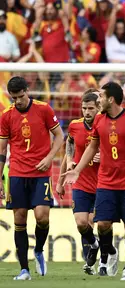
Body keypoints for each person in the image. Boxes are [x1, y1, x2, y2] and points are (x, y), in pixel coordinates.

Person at [63, 82, 125, 280]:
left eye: (100, 96)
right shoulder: (99, 120)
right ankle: (111, 252)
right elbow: (92, 147)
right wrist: (78, 170)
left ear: (111, 99)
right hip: (106, 183)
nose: (97, 100)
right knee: (103, 225)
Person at [0, 76, 64, 280]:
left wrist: (49, 158)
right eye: (14, 98)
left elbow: (60, 136)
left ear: (27, 91)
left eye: (20, 96)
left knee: (42, 216)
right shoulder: (6, 116)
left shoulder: (44, 109)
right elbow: (2, 150)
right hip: (17, 172)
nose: (18, 101)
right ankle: (24, 270)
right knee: (19, 219)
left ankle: (38, 249)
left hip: (41, 173)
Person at [56, 89, 101, 275]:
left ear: (98, 107)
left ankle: (100, 261)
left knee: (95, 221)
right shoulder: (75, 126)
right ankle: (94, 245)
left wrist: (104, 156)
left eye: (91, 108)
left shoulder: (106, 125)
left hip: (102, 183)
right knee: (82, 223)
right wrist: (59, 181)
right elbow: (69, 144)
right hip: (81, 181)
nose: (87, 112)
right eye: (84, 108)